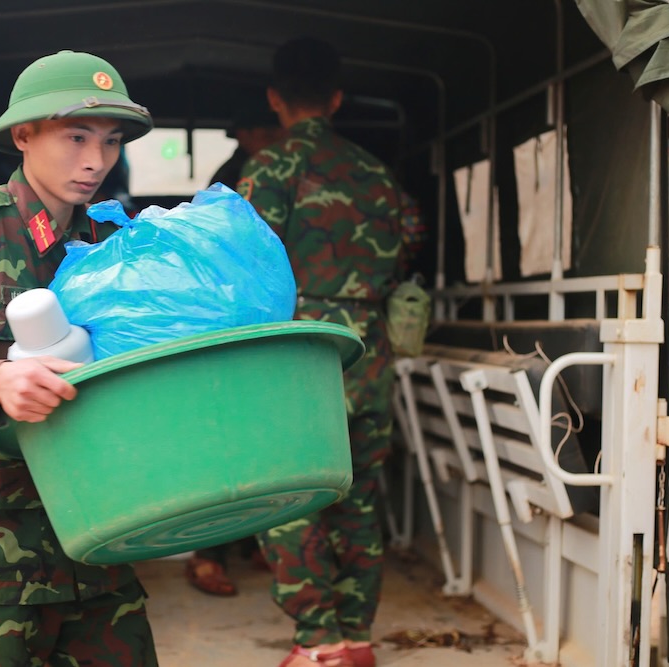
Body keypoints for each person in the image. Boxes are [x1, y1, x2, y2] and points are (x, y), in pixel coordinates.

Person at [0, 50, 159, 667]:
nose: (96, 160)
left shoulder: (110, 245)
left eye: (111, 140)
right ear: (24, 135)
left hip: (97, 546)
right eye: (76, 137)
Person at [236, 37, 403, 667]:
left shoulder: (272, 170)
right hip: (371, 352)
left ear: (276, 99)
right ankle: (357, 639)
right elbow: (405, 248)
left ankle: (318, 640)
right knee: (358, 498)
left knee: (286, 494)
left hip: (299, 355)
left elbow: (245, 269)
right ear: (335, 99)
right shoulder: (378, 174)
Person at [183, 102, 285, 598]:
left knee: (262, 447)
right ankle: (208, 554)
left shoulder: (275, 166)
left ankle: (253, 544)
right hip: (231, 320)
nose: (267, 135)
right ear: (244, 131)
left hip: (269, 325)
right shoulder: (234, 178)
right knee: (226, 443)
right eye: (259, 127)